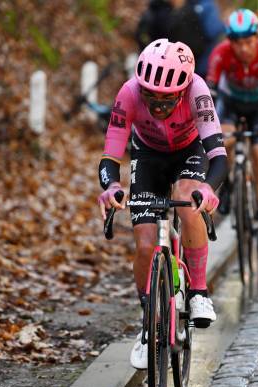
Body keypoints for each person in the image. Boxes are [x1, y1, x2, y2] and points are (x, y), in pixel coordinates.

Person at [97, 39, 228, 369]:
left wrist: (209, 190)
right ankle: (149, 324)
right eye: (150, 95)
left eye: (166, 98)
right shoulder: (128, 92)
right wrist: (111, 186)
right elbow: (111, 153)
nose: (157, 103)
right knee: (144, 245)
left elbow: (218, 155)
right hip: (147, 156)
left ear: (182, 91)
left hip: (189, 152)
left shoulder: (197, 89)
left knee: (187, 199)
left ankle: (198, 292)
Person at [207, 8, 258, 258]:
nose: (243, 48)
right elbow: (211, 93)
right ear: (229, 41)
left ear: (257, 37)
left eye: (248, 41)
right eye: (236, 43)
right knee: (224, 141)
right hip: (231, 104)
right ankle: (228, 185)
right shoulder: (220, 53)